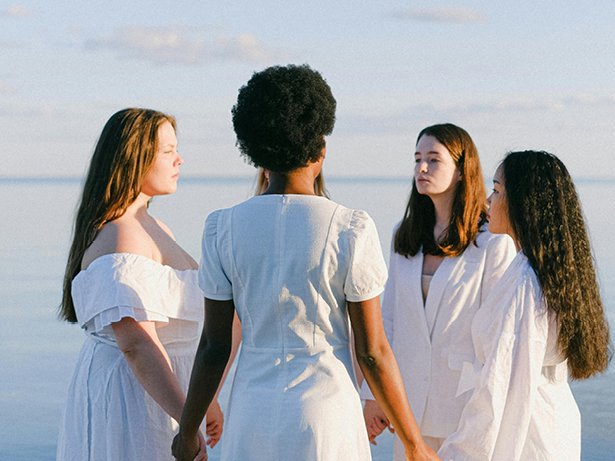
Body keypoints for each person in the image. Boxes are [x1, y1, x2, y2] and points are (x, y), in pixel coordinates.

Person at [172, 64, 438, 461]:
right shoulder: (350, 227)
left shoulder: (221, 228)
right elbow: (373, 351)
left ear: (256, 152)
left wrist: (187, 431)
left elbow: (213, 345)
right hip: (325, 413)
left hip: (252, 414)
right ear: (321, 149)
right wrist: (415, 445)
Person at [56, 108, 219, 460]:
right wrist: (187, 423)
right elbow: (136, 344)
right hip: (135, 402)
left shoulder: (155, 228)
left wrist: (206, 403)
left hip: (166, 396)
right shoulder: (120, 237)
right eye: (167, 151)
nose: (179, 159)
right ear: (135, 157)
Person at [438, 150, 611, 460]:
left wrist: (457, 452)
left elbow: (501, 387)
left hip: (528, 434)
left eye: (497, 190)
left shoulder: (525, 283)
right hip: (554, 422)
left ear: (523, 202)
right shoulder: (547, 271)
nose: (488, 201)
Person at [360, 123, 516, 458]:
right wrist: (373, 394)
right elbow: (388, 321)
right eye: (417, 159)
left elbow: (498, 337)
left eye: (433, 159)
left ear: (462, 170)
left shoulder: (492, 241)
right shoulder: (404, 235)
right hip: (408, 410)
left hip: (466, 413)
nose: (421, 168)